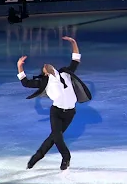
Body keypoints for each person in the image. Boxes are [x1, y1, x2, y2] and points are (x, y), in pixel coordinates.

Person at [16, 36, 89, 170]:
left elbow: (76, 59)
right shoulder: (45, 82)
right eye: (43, 68)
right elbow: (25, 83)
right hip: (56, 112)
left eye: (46, 65)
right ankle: (66, 157)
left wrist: (73, 43)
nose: (45, 65)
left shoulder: (65, 74)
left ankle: (36, 157)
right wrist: (19, 67)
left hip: (70, 113)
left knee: (53, 138)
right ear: (45, 73)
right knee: (56, 136)